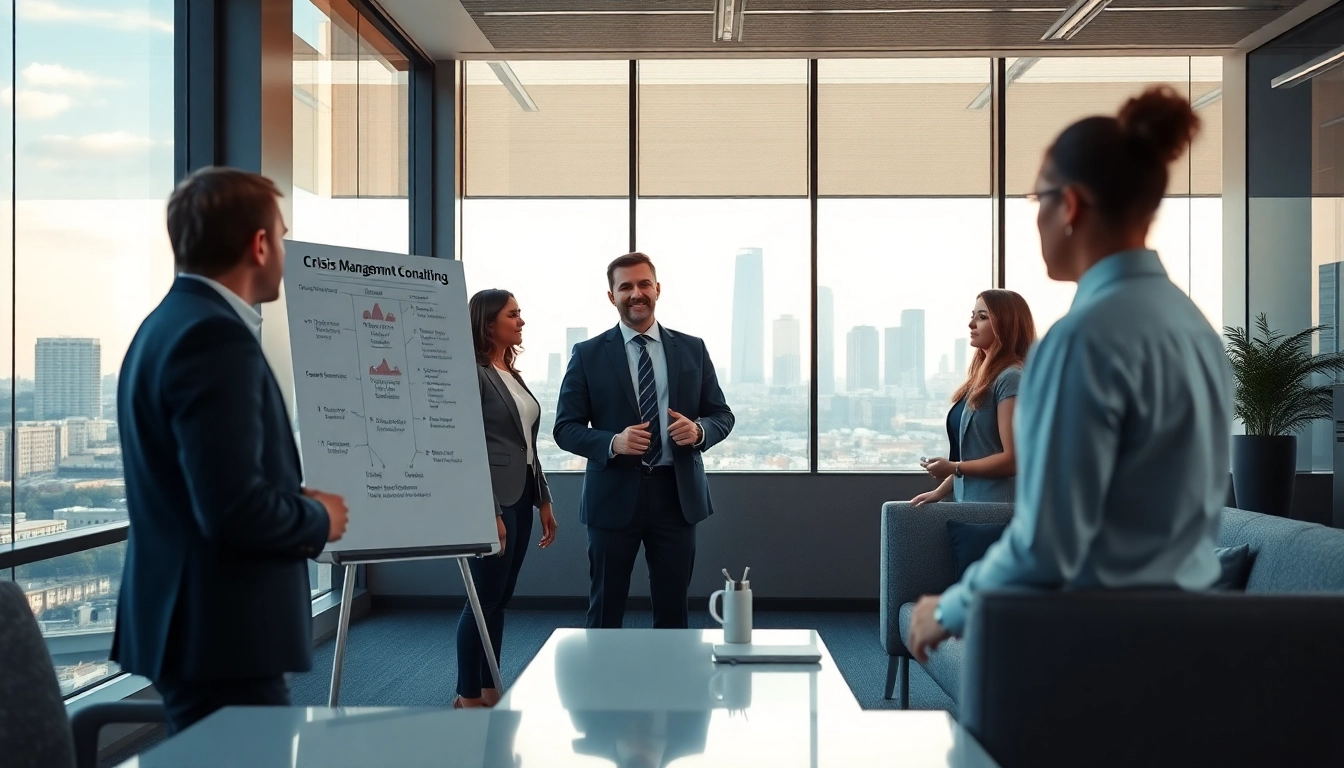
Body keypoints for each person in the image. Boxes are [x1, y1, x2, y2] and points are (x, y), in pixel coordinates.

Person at [908, 86, 1233, 661]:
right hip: (1190, 639)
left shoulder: (1084, 338)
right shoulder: (1195, 330)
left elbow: (1046, 542)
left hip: (1094, 648)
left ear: (1072, 206)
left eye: (1038, 197)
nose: (1036, 216)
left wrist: (951, 608)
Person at [113, 167, 350, 733]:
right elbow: (230, 508)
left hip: (192, 624)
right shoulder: (213, 338)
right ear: (260, 244)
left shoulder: (164, 325)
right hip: (221, 632)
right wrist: (319, 516)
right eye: (283, 236)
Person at [554, 252, 735, 629]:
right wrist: (612, 442)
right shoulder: (587, 355)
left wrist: (699, 432)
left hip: (676, 497)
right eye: (626, 287)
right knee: (605, 608)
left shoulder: (692, 348)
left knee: (673, 610)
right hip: (612, 497)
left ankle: (670, 686)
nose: (636, 293)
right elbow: (565, 428)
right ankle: (601, 687)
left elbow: (722, 415)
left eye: (643, 284)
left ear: (657, 289)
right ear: (611, 296)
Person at [454, 289, 558, 709]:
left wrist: (544, 499)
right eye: (513, 314)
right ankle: (467, 694)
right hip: (493, 501)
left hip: (522, 496)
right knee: (482, 600)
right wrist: (488, 510)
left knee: (499, 599)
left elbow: (526, 446)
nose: (521, 321)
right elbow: (469, 445)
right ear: (488, 322)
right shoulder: (473, 373)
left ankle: (490, 687)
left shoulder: (510, 373)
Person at [914, 290, 1035, 505]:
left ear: (1005, 325)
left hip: (996, 511)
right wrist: (939, 493)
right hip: (970, 505)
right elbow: (974, 454)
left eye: (982, 317)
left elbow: (1012, 460)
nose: (971, 324)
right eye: (973, 315)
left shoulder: (1011, 378)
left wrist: (954, 467)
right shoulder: (982, 379)